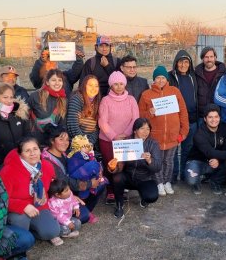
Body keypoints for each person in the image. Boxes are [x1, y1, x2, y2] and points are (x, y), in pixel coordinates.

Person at [0, 137, 62, 246]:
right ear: (20, 154)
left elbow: (54, 184)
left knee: (53, 232)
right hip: (17, 210)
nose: (32, 153)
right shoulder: (8, 171)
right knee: (21, 226)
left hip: (39, 205)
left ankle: (31, 233)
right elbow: (1, 199)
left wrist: (70, 196)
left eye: (35, 149)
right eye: (27, 151)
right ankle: (20, 236)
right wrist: (23, 206)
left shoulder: (46, 166)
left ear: (40, 150)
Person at [139, 66, 189, 196]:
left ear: (166, 79)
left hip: (173, 135)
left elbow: (183, 112)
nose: (160, 80)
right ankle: (159, 183)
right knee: (157, 161)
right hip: (156, 136)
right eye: (157, 78)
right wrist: (149, 113)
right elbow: (140, 115)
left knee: (169, 160)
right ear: (154, 80)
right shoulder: (146, 94)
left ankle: (167, 182)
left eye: (163, 77)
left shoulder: (175, 92)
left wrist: (183, 132)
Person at [41, 125, 102, 224]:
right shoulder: (47, 160)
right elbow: (63, 181)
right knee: (84, 217)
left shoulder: (65, 153)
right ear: (52, 141)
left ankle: (84, 209)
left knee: (100, 184)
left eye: (67, 140)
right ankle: (73, 214)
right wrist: (89, 183)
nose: (65, 143)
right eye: (61, 139)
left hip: (71, 188)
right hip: (60, 196)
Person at [98, 71, 139, 204]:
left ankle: (123, 189)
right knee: (111, 165)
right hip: (108, 140)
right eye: (115, 84)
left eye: (121, 83)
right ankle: (110, 191)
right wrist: (114, 136)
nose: (119, 86)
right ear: (111, 86)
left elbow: (135, 118)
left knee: (125, 165)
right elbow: (102, 121)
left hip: (127, 139)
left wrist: (126, 134)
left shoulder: (131, 99)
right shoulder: (105, 100)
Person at [111, 118, 161, 218]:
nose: (145, 132)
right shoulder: (126, 142)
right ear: (135, 130)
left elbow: (157, 167)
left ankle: (144, 199)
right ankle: (119, 205)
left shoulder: (153, 144)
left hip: (145, 178)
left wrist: (149, 160)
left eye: (148, 129)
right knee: (117, 178)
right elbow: (118, 167)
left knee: (152, 196)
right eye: (142, 129)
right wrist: (113, 166)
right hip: (128, 177)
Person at [185, 104, 226, 195]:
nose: (214, 120)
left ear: (219, 117)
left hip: (215, 161)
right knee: (191, 180)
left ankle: (214, 181)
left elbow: (225, 149)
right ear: (205, 119)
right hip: (198, 161)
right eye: (210, 117)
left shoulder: (225, 130)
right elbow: (209, 152)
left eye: (216, 117)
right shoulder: (199, 134)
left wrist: (218, 160)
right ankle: (198, 180)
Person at [167, 50, 198, 184]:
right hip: (174, 121)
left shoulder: (194, 76)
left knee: (187, 149)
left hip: (191, 121)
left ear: (190, 64)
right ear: (176, 63)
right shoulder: (169, 77)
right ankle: (173, 176)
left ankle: (185, 175)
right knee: (173, 151)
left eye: (186, 62)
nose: (183, 65)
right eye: (181, 62)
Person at [0, 83, 31, 165]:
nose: (9, 101)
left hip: (21, 159)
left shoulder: (20, 113)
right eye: (5, 97)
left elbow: (27, 135)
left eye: (11, 97)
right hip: (1, 162)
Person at [27, 69, 67, 144]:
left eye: (60, 80)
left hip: (52, 142)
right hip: (35, 141)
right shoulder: (35, 96)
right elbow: (25, 116)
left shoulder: (63, 100)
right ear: (47, 82)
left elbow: (62, 124)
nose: (57, 83)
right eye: (54, 80)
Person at [195, 47, 226, 125]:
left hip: (218, 116)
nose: (209, 59)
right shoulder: (196, 74)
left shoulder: (224, 74)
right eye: (206, 57)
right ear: (202, 58)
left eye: (211, 56)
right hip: (202, 117)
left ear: (215, 57)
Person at [66, 75, 101, 144]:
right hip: (75, 142)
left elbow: (97, 128)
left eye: (96, 86)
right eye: (90, 85)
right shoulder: (77, 99)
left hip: (90, 144)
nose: (93, 88)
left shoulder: (97, 101)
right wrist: (84, 142)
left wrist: (90, 143)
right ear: (84, 86)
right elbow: (72, 125)